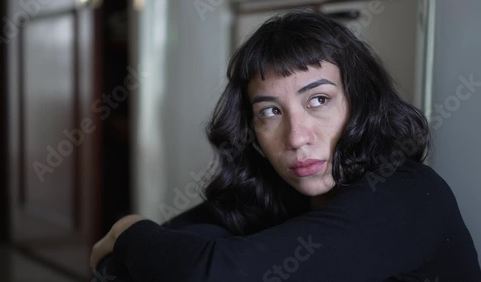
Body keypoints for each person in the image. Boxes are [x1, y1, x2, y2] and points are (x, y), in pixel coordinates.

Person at [90, 10, 481, 282]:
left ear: (361, 102)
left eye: (319, 100)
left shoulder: (408, 195)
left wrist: (126, 230)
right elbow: (166, 251)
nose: (296, 137)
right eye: (271, 111)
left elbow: (210, 274)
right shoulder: (277, 192)